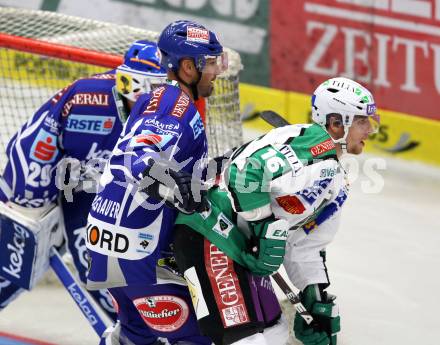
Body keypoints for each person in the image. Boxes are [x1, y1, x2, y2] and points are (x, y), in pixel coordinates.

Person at [173, 77, 379, 345]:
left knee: (275, 333)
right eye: (363, 121)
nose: (370, 130)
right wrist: (264, 228)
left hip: (239, 249)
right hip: (209, 231)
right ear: (337, 123)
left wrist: (313, 296)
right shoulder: (314, 146)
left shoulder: (336, 178)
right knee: (248, 342)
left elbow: (306, 244)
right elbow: (245, 173)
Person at [0, 40, 167, 322]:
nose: (155, 96)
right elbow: (35, 140)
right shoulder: (87, 98)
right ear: (131, 82)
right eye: (149, 86)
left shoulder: (162, 114)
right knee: (19, 259)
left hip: (91, 188)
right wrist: (31, 199)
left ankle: (130, 329)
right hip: (39, 183)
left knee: (93, 261)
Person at [85, 20, 228, 344]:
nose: (216, 71)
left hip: (106, 243)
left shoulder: (154, 99)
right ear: (189, 67)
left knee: (136, 337)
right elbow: (141, 153)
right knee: (203, 337)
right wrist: (170, 182)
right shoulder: (175, 103)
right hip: (136, 249)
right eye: (211, 62)